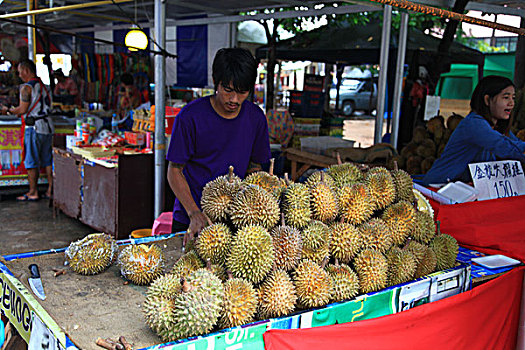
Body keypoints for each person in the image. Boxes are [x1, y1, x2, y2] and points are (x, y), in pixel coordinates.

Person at [166, 48, 271, 246]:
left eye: (242, 92)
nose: (234, 100)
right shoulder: (189, 118)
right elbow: (174, 171)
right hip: (190, 220)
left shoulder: (256, 118)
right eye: (228, 90)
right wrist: (194, 212)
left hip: (235, 223)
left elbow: (255, 168)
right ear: (216, 81)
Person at [423, 75, 525, 185]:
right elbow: (505, 147)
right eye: (506, 97)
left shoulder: (496, 127)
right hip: (439, 187)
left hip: (462, 188)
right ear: (487, 100)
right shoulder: (474, 124)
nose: (511, 103)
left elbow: (515, 144)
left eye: (513, 98)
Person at [0, 59, 53, 201]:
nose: (19, 75)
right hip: (47, 127)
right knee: (47, 160)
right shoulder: (45, 86)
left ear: (26, 71)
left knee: (31, 160)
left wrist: (8, 111)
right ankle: (50, 190)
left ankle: (33, 192)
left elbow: (22, 110)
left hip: (34, 127)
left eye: (19, 72)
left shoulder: (26, 88)